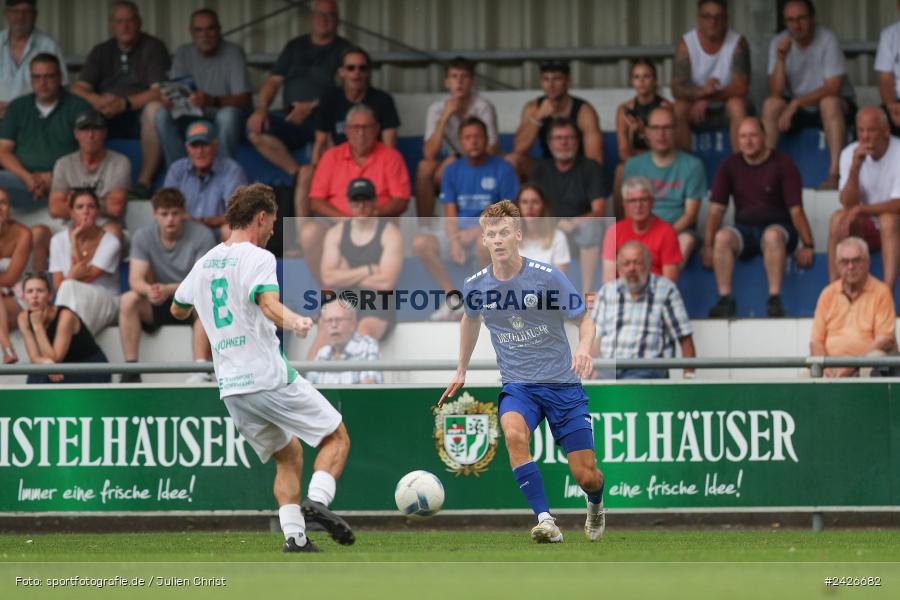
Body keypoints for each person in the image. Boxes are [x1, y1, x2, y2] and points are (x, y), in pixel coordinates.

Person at [171, 183, 355, 553]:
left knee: (289, 454)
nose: (273, 230)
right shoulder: (257, 257)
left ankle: (295, 538)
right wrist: (295, 321)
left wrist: (203, 309)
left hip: (233, 389)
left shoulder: (204, 262)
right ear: (260, 217)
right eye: (272, 222)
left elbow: (177, 308)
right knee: (336, 437)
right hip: (268, 376)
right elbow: (268, 303)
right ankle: (318, 502)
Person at [440, 200, 604, 544]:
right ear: (483, 241)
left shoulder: (547, 278)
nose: (497, 240)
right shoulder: (476, 285)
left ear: (517, 235)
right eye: (490, 234)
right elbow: (470, 320)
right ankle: (546, 520)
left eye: (503, 233)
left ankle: (595, 503)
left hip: (562, 385)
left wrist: (585, 348)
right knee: (513, 434)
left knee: (586, 476)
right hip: (519, 386)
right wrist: (461, 368)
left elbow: (584, 320)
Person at [705, 117, 815, 318]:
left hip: (779, 229)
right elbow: (716, 211)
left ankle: (774, 299)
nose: (748, 141)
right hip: (745, 231)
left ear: (764, 137)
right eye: (743, 136)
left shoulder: (783, 163)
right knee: (722, 237)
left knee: (772, 235)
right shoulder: (729, 165)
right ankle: (725, 299)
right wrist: (708, 245)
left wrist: (808, 244)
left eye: (753, 135)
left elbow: (796, 211)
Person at [413, 116, 518, 320]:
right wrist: (454, 240)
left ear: (487, 139)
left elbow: (507, 212)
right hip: (459, 233)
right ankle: (453, 299)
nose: (473, 141)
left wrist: (479, 231)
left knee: (483, 243)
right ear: (461, 142)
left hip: (490, 232)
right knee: (420, 243)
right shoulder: (452, 169)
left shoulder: (503, 168)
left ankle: (483, 300)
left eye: (478, 136)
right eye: (468, 137)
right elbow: (450, 213)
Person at [71, 1, 169, 198]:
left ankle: (143, 182)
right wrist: (97, 100)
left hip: (138, 115)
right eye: (119, 21)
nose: (125, 26)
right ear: (112, 25)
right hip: (106, 114)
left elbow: (161, 91)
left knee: (155, 109)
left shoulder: (153, 47)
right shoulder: (102, 51)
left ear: (139, 23)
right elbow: (77, 88)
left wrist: (124, 103)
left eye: (130, 21)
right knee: (78, 111)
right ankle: (85, 183)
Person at [301, 105, 410, 282]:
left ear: (376, 129)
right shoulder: (331, 156)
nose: (361, 133)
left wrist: (373, 214)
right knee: (309, 232)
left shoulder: (391, 157)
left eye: (366, 127)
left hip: (377, 223)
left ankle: (367, 295)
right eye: (355, 127)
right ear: (346, 130)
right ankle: (327, 294)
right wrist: (345, 221)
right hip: (336, 222)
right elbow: (315, 201)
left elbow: (401, 200)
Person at [246, 0, 352, 180]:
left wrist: (310, 107)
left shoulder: (346, 50)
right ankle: (297, 174)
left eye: (330, 15)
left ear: (337, 20)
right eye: (320, 14)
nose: (324, 19)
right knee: (254, 130)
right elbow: (273, 81)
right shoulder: (295, 46)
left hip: (324, 118)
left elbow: (350, 89)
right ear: (311, 18)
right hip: (291, 117)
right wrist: (261, 108)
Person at [118, 188, 216, 383]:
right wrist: (149, 290)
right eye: (164, 214)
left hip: (191, 300)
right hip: (160, 300)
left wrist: (168, 289)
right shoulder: (143, 236)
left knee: (207, 302)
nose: (170, 219)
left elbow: (203, 281)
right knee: (129, 300)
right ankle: (131, 369)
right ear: (155, 213)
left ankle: (200, 368)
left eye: (175, 213)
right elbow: (135, 279)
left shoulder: (202, 235)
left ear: (183, 212)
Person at [294, 47, 401, 225]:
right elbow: (320, 142)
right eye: (351, 68)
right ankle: (303, 235)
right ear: (341, 72)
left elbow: (390, 144)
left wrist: (380, 165)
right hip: (337, 162)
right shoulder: (329, 98)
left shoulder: (383, 100)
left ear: (368, 72)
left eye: (362, 68)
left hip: (374, 162)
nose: (356, 73)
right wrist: (320, 168)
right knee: (306, 172)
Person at [0, 52, 87, 270]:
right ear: (31, 79)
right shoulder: (18, 107)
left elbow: (89, 148)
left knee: (84, 180)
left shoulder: (78, 106)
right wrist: (28, 178)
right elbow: (3, 151)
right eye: (37, 77)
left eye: (49, 76)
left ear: (60, 78)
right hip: (21, 182)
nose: (43, 82)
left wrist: (55, 177)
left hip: (66, 183)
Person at [762, 0, 856, 190]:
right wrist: (780, 60)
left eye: (801, 18)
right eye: (790, 20)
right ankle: (764, 172)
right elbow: (776, 92)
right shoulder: (779, 42)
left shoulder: (827, 39)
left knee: (829, 103)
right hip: (799, 108)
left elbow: (833, 87)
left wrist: (795, 104)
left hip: (835, 105)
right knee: (771, 105)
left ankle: (835, 173)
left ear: (812, 19)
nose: (796, 25)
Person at [156, 8, 252, 166]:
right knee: (161, 114)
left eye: (210, 29)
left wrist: (212, 100)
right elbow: (174, 91)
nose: (204, 35)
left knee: (228, 115)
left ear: (219, 30)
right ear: (191, 32)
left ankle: (221, 175)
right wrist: (169, 101)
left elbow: (244, 100)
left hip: (219, 114)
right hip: (191, 114)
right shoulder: (183, 52)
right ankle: (180, 173)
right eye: (199, 30)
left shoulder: (233, 52)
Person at [592, 241, 695, 380]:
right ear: (619, 268)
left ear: (648, 265)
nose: (631, 268)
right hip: (608, 370)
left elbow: (685, 338)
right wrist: (590, 372)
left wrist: (689, 378)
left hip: (648, 371)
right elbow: (594, 339)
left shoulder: (666, 290)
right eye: (626, 264)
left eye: (637, 263)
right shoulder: (607, 291)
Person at [530, 117, 610, 295]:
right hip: (548, 231)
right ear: (549, 143)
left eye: (569, 138)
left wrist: (573, 223)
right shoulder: (541, 169)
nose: (564, 142)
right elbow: (531, 206)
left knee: (591, 228)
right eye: (558, 138)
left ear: (577, 141)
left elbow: (599, 211)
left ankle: (586, 294)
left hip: (579, 232)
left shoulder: (590, 168)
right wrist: (551, 225)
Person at [318, 177, 403, 343]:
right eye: (356, 201)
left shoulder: (390, 233)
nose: (361, 206)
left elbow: (386, 283)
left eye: (366, 200)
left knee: (363, 334)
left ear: (375, 201)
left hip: (379, 303)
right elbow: (328, 278)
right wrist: (369, 269)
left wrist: (345, 274)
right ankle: (307, 371)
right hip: (345, 300)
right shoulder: (336, 233)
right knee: (323, 334)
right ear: (349, 203)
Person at [416, 56, 499, 222]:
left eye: (464, 76)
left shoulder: (483, 106)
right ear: (447, 82)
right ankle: (424, 227)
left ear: (472, 81)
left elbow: (491, 149)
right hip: (452, 164)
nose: (459, 82)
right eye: (454, 77)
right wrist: (446, 116)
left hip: (481, 161)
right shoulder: (437, 109)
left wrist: (459, 160)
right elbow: (429, 154)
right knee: (424, 167)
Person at [622, 106, 707, 266]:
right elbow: (629, 211)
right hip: (642, 229)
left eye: (667, 128)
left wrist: (662, 236)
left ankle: (664, 290)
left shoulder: (693, 165)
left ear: (676, 131)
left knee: (685, 241)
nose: (661, 134)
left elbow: (690, 215)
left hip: (679, 230)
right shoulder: (633, 165)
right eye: (655, 128)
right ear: (646, 132)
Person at [829, 107, 900, 295]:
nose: (865, 136)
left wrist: (862, 209)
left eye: (871, 130)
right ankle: (835, 293)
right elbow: (847, 202)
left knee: (888, 219)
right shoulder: (849, 154)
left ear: (886, 131)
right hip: (867, 227)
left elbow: (898, 204)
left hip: (895, 227)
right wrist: (855, 167)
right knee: (838, 218)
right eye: (861, 130)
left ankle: (887, 293)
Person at [811, 237, 897, 378]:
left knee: (875, 359)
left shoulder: (882, 291)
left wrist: (851, 365)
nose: (850, 266)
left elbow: (884, 339)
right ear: (837, 265)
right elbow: (816, 341)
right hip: (830, 366)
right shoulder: (827, 294)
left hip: (865, 363)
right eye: (845, 261)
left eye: (856, 260)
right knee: (805, 376)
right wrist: (824, 366)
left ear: (868, 262)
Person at [671, 0, 750, 153]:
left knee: (737, 105)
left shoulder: (737, 42)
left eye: (718, 17)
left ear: (726, 19)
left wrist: (708, 97)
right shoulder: (687, 43)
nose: (712, 22)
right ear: (698, 19)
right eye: (707, 17)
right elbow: (677, 89)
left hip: (725, 109)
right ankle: (686, 167)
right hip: (695, 110)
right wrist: (701, 93)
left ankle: (742, 164)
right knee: (678, 107)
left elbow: (741, 88)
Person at [506, 60, 603, 179]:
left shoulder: (584, 111)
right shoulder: (533, 107)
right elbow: (519, 149)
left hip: (576, 168)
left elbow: (595, 159)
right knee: (512, 160)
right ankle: (523, 198)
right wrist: (538, 117)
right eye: (546, 79)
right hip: (547, 168)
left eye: (557, 79)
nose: (551, 85)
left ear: (567, 81)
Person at [49, 108, 131, 242]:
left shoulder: (120, 162)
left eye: (96, 129)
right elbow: (55, 209)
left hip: (106, 225)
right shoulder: (63, 163)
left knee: (113, 233)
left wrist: (74, 203)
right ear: (76, 133)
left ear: (104, 133)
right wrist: (101, 202)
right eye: (84, 129)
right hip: (71, 225)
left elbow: (116, 208)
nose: (90, 135)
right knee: (39, 233)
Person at [49, 188, 121, 336]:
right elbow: (58, 286)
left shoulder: (111, 241)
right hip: (73, 297)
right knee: (69, 287)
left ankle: (64, 342)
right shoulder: (57, 240)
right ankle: (71, 343)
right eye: (80, 207)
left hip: (106, 300)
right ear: (71, 212)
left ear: (98, 211)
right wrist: (70, 278)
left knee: (70, 286)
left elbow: (85, 279)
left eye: (91, 206)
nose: (86, 211)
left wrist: (74, 241)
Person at [18, 271, 111, 384]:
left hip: (87, 367)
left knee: (49, 375)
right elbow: (34, 357)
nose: (35, 296)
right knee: (37, 374)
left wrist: (38, 326)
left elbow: (56, 359)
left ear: (50, 295)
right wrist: (46, 362)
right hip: (56, 367)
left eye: (40, 290)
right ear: (23, 296)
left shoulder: (65, 316)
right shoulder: (23, 318)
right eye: (30, 291)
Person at [163, 120, 247, 238]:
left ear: (215, 145)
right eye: (194, 146)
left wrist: (206, 222)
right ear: (187, 147)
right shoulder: (177, 170)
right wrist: (183, 217)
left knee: (232, 229)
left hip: (217, 234)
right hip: (184, 231)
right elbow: (166, 206)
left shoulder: (231, 170)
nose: (199, 151)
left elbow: (238, 214)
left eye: (204, 145)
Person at [614, 59, 672, 217]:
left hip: (661, 159)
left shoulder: (665, 108)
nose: (641, 82)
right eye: (636, 77)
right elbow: (623, 151)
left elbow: (669, 146)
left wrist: (645, 132)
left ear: (655, 80)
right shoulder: (624, 110)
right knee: (621, 170)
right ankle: (621, 226)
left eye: (646, 77)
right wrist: (632, 134)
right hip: (636, 159)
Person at [603, 176, 682, 283]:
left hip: (655, 295)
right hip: (620, 294)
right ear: (624, 205)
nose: (638, 205)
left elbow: (669, 282)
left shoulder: (667, 232)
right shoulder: (614, 231)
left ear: (652, 202)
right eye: (632, 201)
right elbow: (608, 279)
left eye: (643, 200)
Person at [0, 0, 68, 118]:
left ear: (35, 15)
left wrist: (15, 109)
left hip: (33, 117)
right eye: (15, 11)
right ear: (6, 14)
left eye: (26, 12)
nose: (21, 17)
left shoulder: (48, 45)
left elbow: (61, 86)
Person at [306, 300, 383, 385]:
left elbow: (369, 389)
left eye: (338, 320)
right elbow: (310, 390)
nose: (334, 325)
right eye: (328, 321)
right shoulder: (322, 353)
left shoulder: (367, 345)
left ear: (353, 323)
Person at [0, 187, 31, 363]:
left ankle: (8, 349)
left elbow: (11, 278)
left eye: (3, 203)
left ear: (10, 208)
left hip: (17, 296)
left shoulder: (23, 233)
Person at [518, 184, 570, 272]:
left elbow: (559, 281)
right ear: (518, 206)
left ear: (543, 206)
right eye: (524, 202)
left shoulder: (558, 237)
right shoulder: (510, 238)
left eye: (535, 202)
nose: (529, 207)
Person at [877, 1, 900, 137]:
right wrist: (891, 106)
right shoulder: (889, 35)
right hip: (897, 101)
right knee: (873, 121)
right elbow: (886, 79)